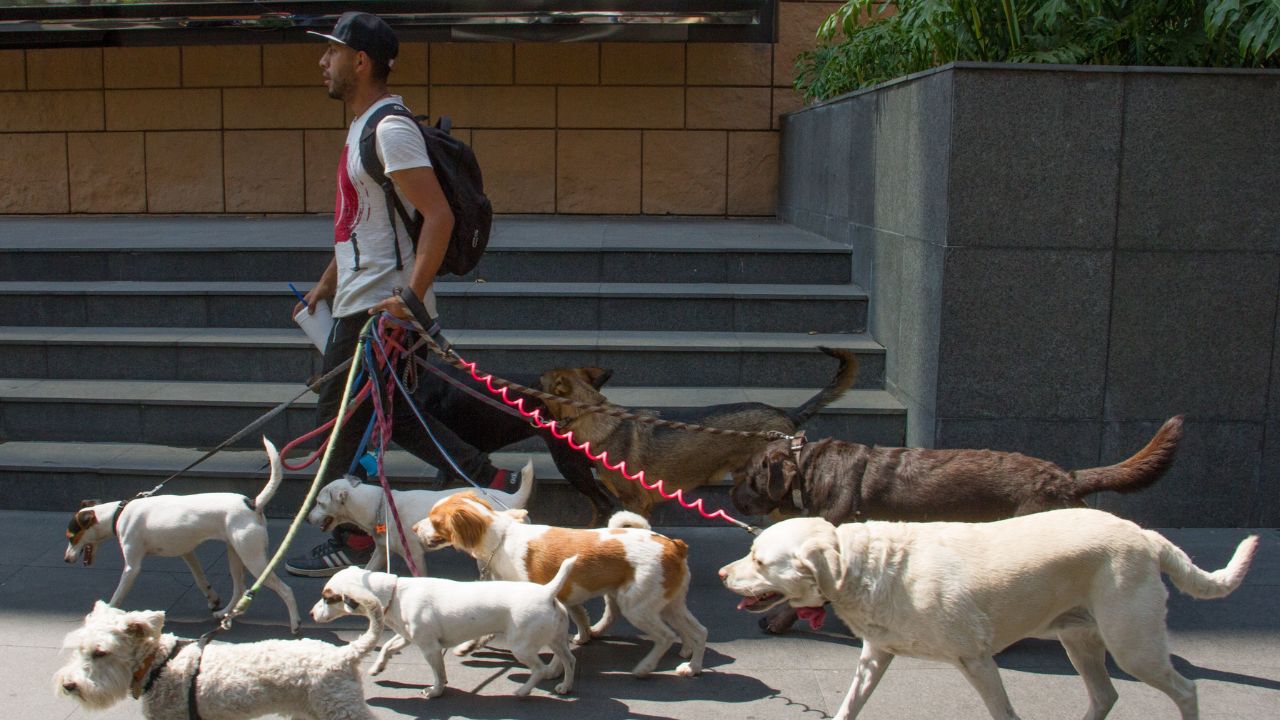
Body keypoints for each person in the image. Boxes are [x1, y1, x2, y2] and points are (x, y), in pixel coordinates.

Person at [286, 12, 525, 577]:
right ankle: (487, 478)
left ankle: (354, 541)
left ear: (361, 61)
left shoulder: (389, 129)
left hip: (382, 309)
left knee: (338, 424)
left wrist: (409, 301)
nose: (323, 63)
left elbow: (437, 217)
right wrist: (328, 279)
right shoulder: (363, 125)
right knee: (393, 411)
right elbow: (364, 223)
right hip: (361, 298)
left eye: (332, 53)